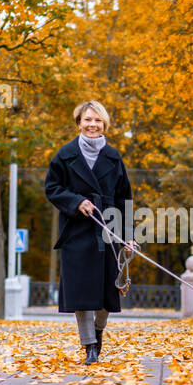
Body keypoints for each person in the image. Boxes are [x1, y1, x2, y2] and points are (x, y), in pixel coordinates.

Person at [44, 100, 136, 364]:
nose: (92, 125)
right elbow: (52, 188)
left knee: (108, 294)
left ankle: (98, 331)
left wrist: (128, 236)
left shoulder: (113, 156)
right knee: (82, 295)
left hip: (107, 234)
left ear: (104, 124)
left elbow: (124, 200)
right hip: (76, 232)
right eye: (87, 120)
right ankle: (90, 347)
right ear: (79, 123)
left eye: (97, 120)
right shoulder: (65, 154)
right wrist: (76, 201)